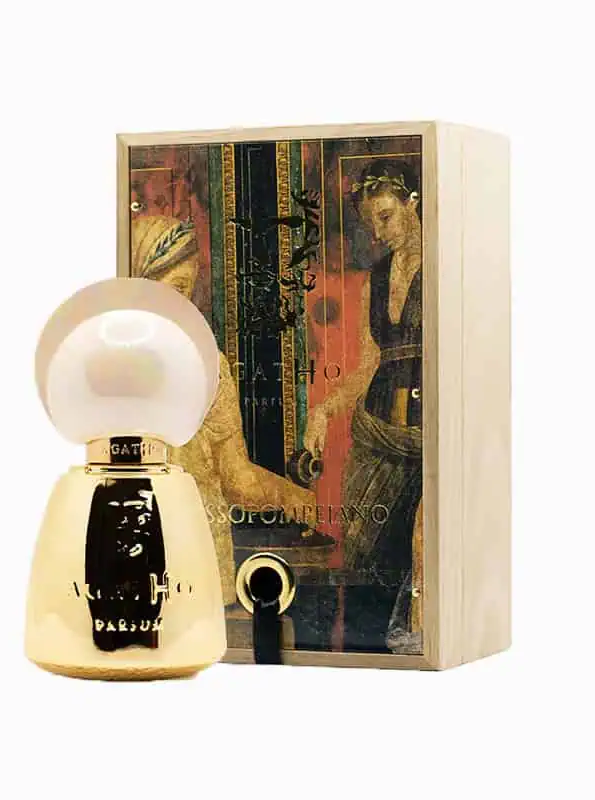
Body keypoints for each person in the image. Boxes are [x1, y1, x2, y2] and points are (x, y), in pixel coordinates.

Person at [129, 214, 317, 607]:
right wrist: (294, 498)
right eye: (176, 288)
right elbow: (238, 481)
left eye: (189, 289)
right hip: (165, 554)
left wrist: (293, 496)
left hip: (177, 559)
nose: (184, 303)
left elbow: (238, 480)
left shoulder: (207, 365)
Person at [303, 160, 423, 653]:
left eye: (386, 216)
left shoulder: (448, 269)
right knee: (363, 562)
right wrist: (324, 410)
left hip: (431, 438)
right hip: (376, 436)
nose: (378, 232)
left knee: (419, 558)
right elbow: (370, 359)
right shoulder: (375, 278)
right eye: (371, 222)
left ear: (413, 201)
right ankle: (362, 660)